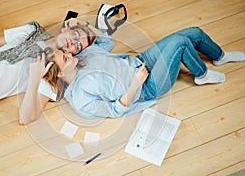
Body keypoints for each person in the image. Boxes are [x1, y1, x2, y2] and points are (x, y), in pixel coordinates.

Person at [44, 26, 245, 119]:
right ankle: (202, 75)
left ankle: (220, 56)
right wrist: (136, 84)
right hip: (147, 87)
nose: (68, 54)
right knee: (180, 43)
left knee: (194, 32)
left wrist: (82, 29)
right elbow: (115, 110)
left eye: (65, 52)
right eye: (64, 57)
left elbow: (106, 42)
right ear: (60, 74)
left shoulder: (83, 56)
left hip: (141, 61)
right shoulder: (81, 99)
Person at [0, 20, 96, 123]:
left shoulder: (52, 72)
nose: (73, 42)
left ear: (76, 53)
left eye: (78, 45)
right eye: (75, 35)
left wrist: (35, 78)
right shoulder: (31, 31)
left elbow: (26, 118)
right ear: (67, 28)